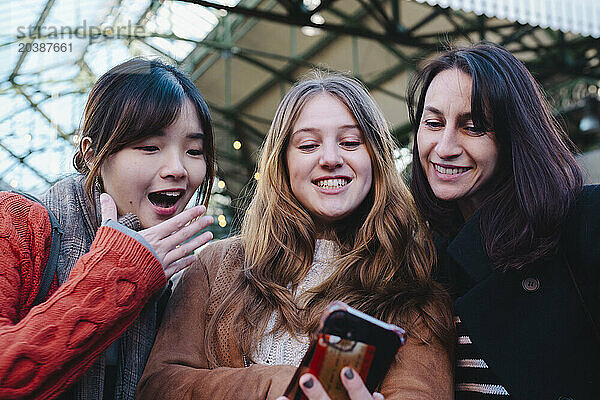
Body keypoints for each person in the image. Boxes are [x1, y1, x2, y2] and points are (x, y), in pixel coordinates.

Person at [137, 72, 454, 400]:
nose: (330, 159)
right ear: (283, 161)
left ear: (375, 158)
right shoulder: (214, 266)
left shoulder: (416, 288)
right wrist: (275, 383)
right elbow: (158, 386)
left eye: (349, 142)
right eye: (308, 145)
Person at [0, 58, 216, 400]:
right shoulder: (17, 224)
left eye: (194, 150)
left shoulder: (181, 277)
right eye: (149, 147)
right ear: (91, 154)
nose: (177, 168)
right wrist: (120, 270)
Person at [408, 42, 600, 399]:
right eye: (433, 123)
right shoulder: (425, 260)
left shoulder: (585, 222)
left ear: (515, 136)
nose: (445, 146)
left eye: (474, 126)